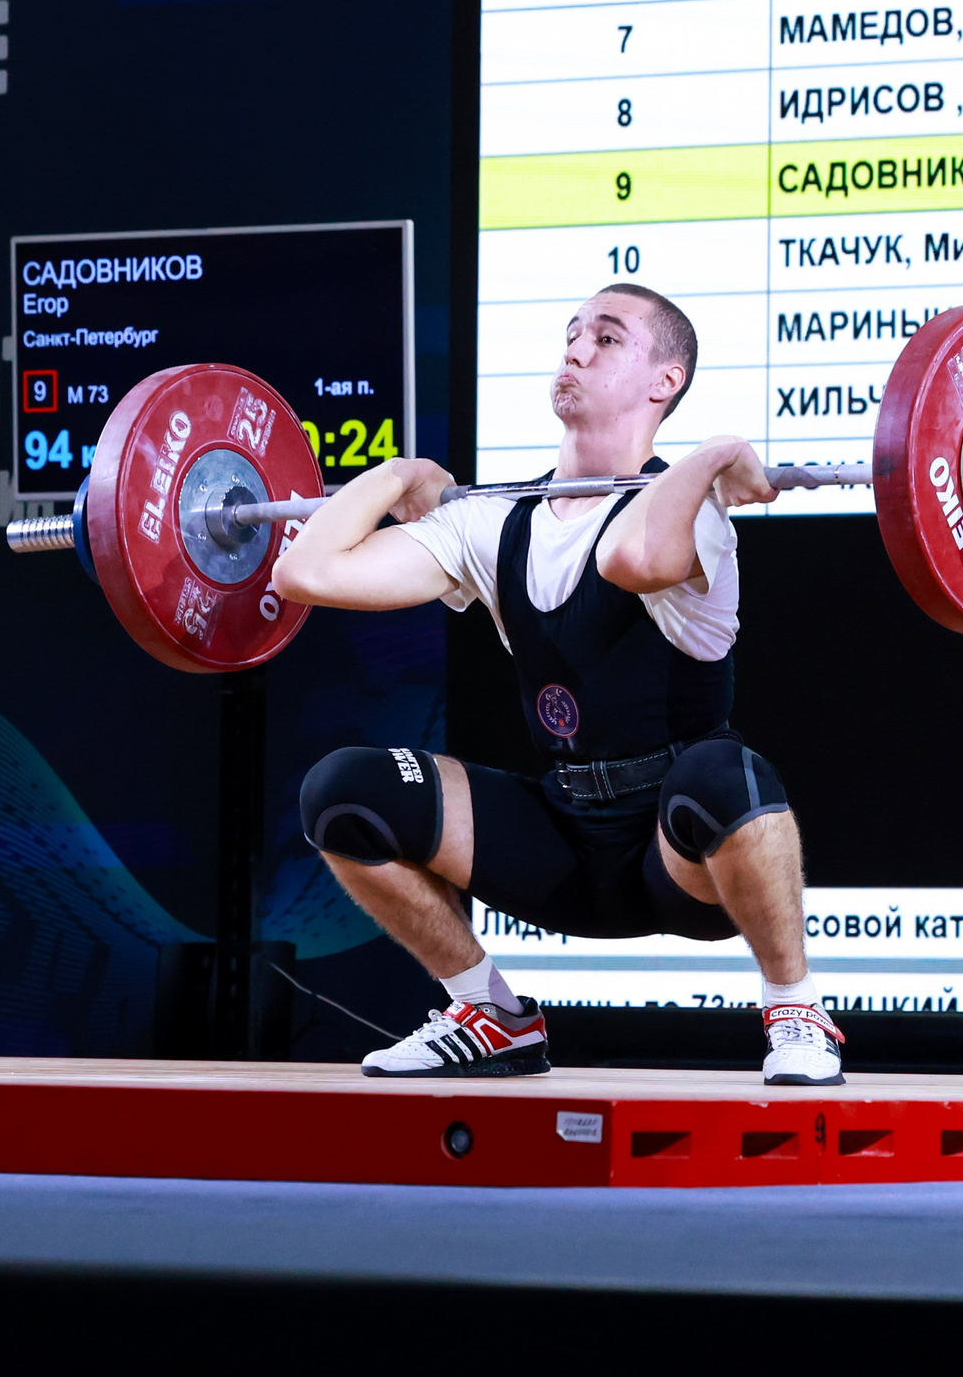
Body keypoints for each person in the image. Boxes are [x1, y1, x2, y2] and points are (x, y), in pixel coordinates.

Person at [271, 285, 843, 1085]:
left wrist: (711, 456)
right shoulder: (494, 520)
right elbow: (306, 570)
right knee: (341, 793)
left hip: (677, 855)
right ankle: (489, 1012)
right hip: (565, 840)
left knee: (723, 772)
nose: (574, 349)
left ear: (663, 381)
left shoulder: (695, 515)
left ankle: (795, 1008)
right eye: (572, 333)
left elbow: (632, 559)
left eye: (606, 339)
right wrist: (397, 474)